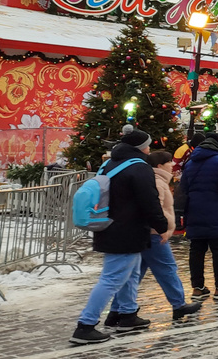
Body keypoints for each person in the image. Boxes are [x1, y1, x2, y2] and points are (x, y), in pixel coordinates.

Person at [71, 128, 169, 345]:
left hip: (111, 226)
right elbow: (149, 201)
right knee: (112, 278)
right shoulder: (140, 167)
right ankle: (85, 326)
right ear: (141, 147)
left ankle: (127, 314)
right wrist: (161, 225)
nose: (150, 147)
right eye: (148, 144)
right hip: (128, 230)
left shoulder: (110, 163)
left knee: (131, 273)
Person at [104, 150, 201, 329]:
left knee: (134, 275)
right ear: (159, 166)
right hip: (155, 234)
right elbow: (154, 208)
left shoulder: (157, 179)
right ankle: (178, 304)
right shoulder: (156, 181)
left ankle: (116, 311)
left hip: (149, 233)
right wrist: (163, 227)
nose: (172, 165)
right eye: (169, 162)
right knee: (167, 268)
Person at [182, 132, 218, 299]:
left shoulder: (190, 163)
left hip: (194, 210)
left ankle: (198, 287)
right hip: (216, 211)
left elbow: (184, 187)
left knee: (196, 250)